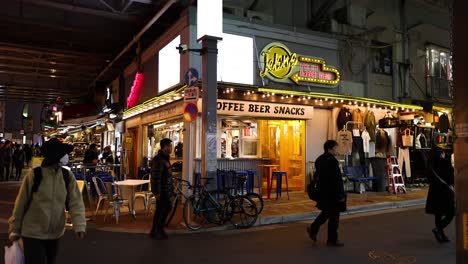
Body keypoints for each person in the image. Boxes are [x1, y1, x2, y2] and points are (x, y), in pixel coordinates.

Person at [8, 138, 86, 264]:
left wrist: (79, 225)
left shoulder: (67, 176)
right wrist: (15, 228)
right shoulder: (34, 175)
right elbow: (21, 203)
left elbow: (75, 202)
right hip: (32, 232)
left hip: (55, 233)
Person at [307, 140, 347, 247]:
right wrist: (341, 195)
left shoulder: (320, 159)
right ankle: (332, 240)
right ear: (329, 149)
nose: (337, 150)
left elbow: (317, 176)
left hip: (322, 192)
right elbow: (336, 180)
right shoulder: (332, 161)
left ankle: (313, 228)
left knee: (326, 213)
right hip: (332, 194)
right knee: (334, 216)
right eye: (336, 148)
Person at [425, 146, 455, 243]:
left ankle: (441, 235)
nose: (444, 154)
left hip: (434, 192)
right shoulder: (445, 163)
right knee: (451, 212)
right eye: (443, 152)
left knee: (438, 213)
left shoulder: (430, 165)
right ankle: (439, 229)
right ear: (440, 154)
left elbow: (429, 179)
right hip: (444, 192)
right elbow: (451, 179)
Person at [149, 138, 174, 240]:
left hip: (166, 189)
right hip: (162, 190)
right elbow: (155, 177)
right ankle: (159, 229)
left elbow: (166, 175)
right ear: (164, 147)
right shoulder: (159, 159)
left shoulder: (165, 158)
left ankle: (154, 230)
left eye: (171, 146)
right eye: (169, 146)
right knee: (165, 208)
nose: (171, 148)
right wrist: (157, 192)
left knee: (160, 210)